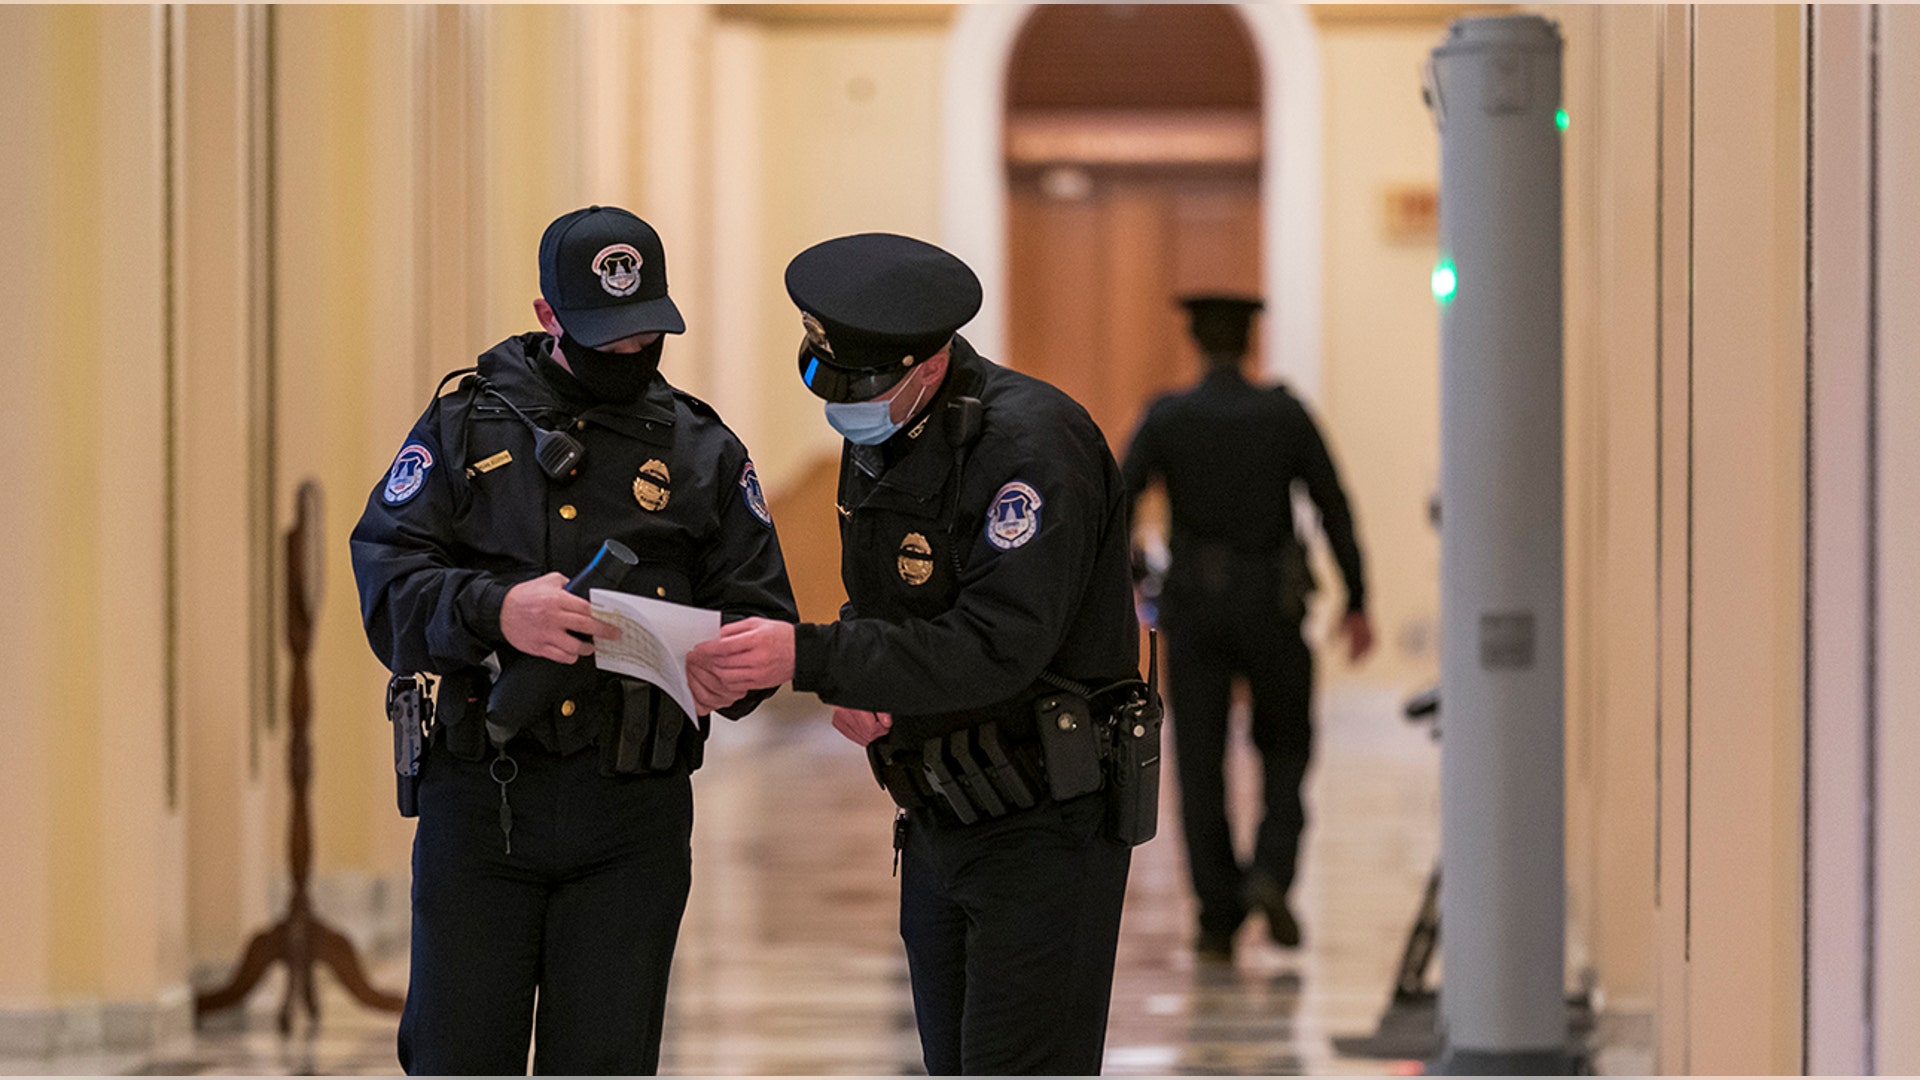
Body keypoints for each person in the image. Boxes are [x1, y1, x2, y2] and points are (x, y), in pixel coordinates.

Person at [350, 205, 798, 1075]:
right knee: (455, 1054)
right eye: (604, 337)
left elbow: (761, 618)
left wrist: (727, 669)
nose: (628, 355)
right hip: (483, 800)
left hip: (631, 812)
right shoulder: (463, 427)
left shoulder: (704, 451)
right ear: (548, 317)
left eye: (644, 336)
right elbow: (388, 588)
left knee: (606, 1059)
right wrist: (494, 608)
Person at [687, 233, 1148, 1075]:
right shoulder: (887, 434)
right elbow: (886, 601)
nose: (840, 404)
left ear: (930, 365)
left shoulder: (1032, 448)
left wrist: (812, 657)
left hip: (1043, 823)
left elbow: (996, 644)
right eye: (822, 376)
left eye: (859, 385)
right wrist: (868, 684)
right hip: (938, 811)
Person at [1120, 294, 1374, 964]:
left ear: (1199, 345)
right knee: (1286, 747)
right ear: (1249, 344)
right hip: (1273, 604)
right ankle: (1271, 871)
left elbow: (1117, 499)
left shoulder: (1169, 416)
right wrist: (1358, 597)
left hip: (1195, 609)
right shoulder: (1284, 415)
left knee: (1198, 764)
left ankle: (1216, 915)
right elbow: (1333, 502)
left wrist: (1124, 580)